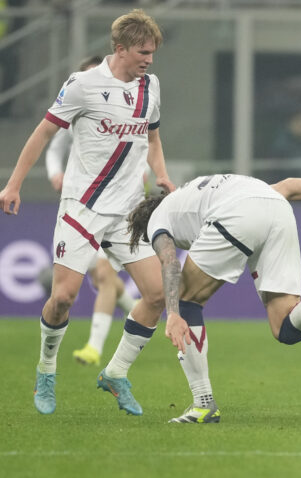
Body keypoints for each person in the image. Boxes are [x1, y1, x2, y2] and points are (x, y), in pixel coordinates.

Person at [0, 9, 175, 416]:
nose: (149, 59)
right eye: (142, 52)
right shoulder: (83, 84)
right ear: (120, 49)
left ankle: (115, 373)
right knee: (62, 298)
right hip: (83, 206)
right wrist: (13, 184)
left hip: (128, 212)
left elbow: (153, 141)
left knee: (157, 293)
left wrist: (162, 176)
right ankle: (46, 370)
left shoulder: (151, 87)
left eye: (153, 52)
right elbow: (44, 132)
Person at [126, 172, 301, 423]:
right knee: (285, 329)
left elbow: (170, 262)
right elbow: (290, 186)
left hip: (236, 216)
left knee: (187, 301)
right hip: (278, 210)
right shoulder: (203, 190)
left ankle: (203, 403)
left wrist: (172, 314)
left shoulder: (157, 219)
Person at [41, 55, 138, 367]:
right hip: (83, 207)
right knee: (99, 281)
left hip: (119, 209)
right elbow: (53, 146)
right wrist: (55, 173)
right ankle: (131, 309)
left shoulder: (125, 116)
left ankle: (95, 348)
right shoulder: (75, 114)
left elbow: (144, 151)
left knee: (105, 277)